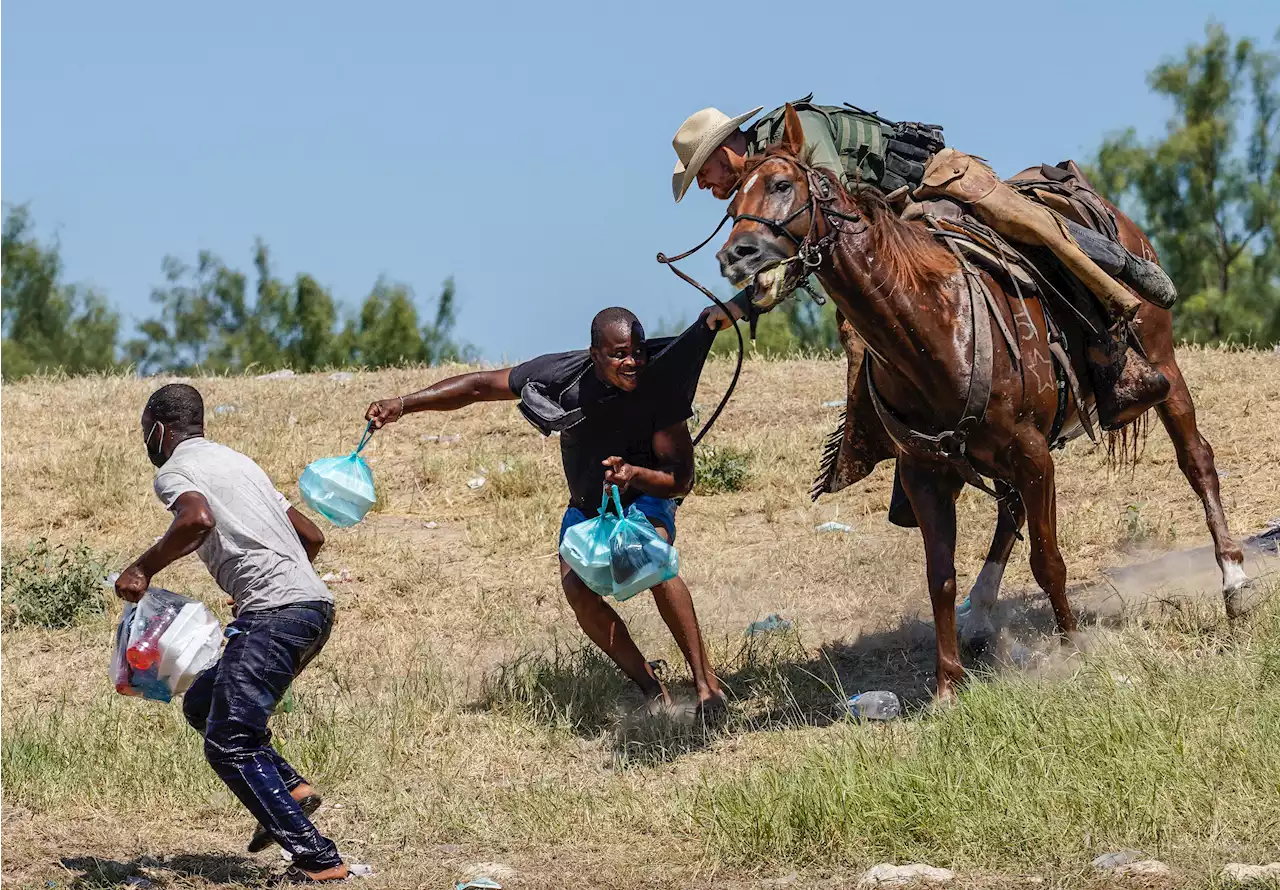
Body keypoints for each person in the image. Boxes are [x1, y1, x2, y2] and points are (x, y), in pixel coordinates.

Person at [670, 95, 1178, 434]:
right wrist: (741, 302)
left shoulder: (793, 134)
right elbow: (803, 248)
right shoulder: (761, 187)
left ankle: (1115, 340)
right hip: (888, 227)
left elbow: (829, 217)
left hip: (932, 185)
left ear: (724, 150)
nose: (703, 186)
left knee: (1028, 233)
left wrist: (747, 299)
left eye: (703, 172)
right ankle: (901, 437)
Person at [365, 308, 727, 718]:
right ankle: (651, 688)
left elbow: (680, 480)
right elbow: (481, 387)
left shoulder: (658, 388)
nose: (632, 363)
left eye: (639, 352)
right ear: (595, 353)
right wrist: (404, 404)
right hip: (588, 507)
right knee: (578, 591)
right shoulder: (561, 375)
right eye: (620, 354)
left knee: (652, 560)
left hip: (643, 496)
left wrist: (634, 474)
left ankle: (705, 686)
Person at [114, 383, 368, 884]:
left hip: (276, 613)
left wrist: (141, 569)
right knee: (202, 704)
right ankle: (291, 789)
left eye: (147, 433)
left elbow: (197, 520)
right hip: (313, 607)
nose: (148, 443)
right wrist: (262, 586)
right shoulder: (239, 462)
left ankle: (318, 861)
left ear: (159, 430)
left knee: (229, 742)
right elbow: (310, 535)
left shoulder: (176, 471)